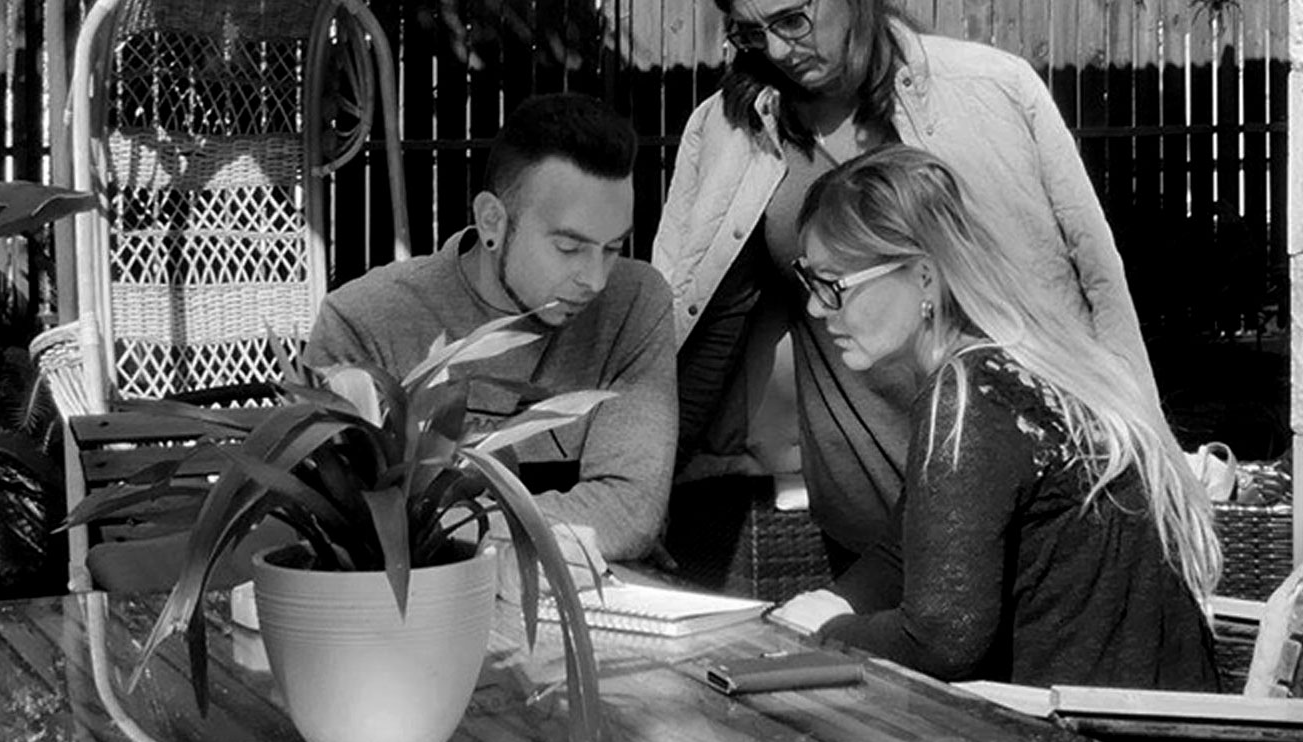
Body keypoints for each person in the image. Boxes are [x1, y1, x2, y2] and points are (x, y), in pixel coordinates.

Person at [653, 0, 1157, 565]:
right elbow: (701, 327)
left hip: (1030, 499)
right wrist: (645, 491)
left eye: (791, 20)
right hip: (869, 526)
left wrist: (1147, 465)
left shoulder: (990, 90)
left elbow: (1096, 284)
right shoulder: (731, 128)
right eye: (750, 32)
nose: (775, 50)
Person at [770, 144, 1218, 690]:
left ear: (923, 278)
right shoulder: (1032, 365)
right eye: (811, 283)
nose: (817, 309)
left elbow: (942, 640)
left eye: (834, 285)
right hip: (1155, 734)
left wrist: (831, 632)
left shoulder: (969, 396)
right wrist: (831, 603)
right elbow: (902, 554)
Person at [305, 93, 678, 575]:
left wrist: (435, 527)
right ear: (492, 222)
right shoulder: (367, 320)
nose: (596, 279)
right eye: (569, 247)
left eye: (612, 248)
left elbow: (630, 510)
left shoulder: (635, 301)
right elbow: (352, 530)